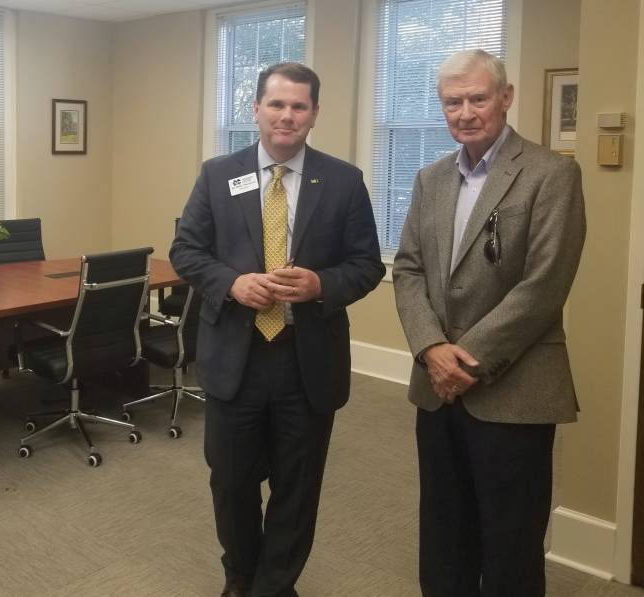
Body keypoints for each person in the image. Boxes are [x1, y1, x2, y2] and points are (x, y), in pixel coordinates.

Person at [170, 62, 385, 597]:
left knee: (297, 484)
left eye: (299, 106)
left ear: (314, 113)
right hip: (234, 358)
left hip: (305, 357)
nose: (287, 116)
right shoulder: (218, 174)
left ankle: (275, 585)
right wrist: (231, 283)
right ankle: (240, 576)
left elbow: (367, 265)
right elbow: (185, 250)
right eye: (277, 104)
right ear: (256, 110)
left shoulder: (343, 181)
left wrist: (320, 284)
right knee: (232, 482)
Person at [392, 49, 586, 597]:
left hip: (514, 389)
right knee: (445, 530)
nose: (465, 112)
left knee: (510, 541)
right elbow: (408, 269)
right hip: (436, 387)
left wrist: (467, 359)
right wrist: (432, 348)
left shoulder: (552, 174)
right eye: (452, 101)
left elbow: (544, 287)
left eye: (478, 98)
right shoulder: (431, 179)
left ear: (506, 97)